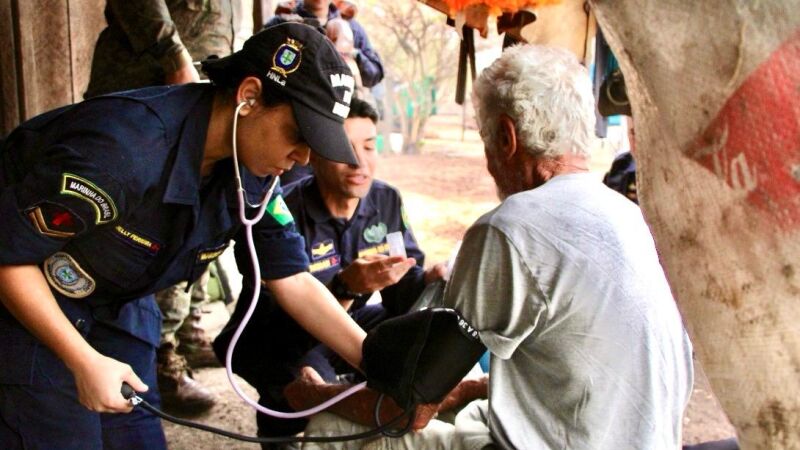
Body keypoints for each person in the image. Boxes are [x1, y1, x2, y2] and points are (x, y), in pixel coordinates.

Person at [0, 23, 367, 449]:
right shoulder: (123, 151)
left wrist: (374, 360)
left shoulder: (255, 169)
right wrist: (81, 359)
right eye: (299, 135)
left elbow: (293, 278)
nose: (304, 157)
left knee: (138, 440)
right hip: (26, 299)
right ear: (249, 97)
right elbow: (9, 256)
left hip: (119, 302)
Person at [339, 44, 695, 449]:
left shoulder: (510, 227)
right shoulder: (630, 217)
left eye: (486, 142)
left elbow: (416, 403)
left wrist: (313, 396)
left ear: (507, 137)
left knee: (338, 432)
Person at [214, 96, 447, 443]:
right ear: (315, 154)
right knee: (311, 392)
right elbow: (270, 323)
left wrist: (430, 278)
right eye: (345, 148)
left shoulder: (387, 201)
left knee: (412, 334)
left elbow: (402, 297)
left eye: (369, 146)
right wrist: (345, 287)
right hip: (278, 338)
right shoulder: (278, 212)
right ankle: (278, 434)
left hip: (348, 326)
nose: (359, 162)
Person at [85, 0, 256, 412]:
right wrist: (174, 56)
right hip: (154, 90)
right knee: (148, 230)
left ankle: (183, 335)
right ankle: (155, 357)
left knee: (194, 226)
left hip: (200, 95)